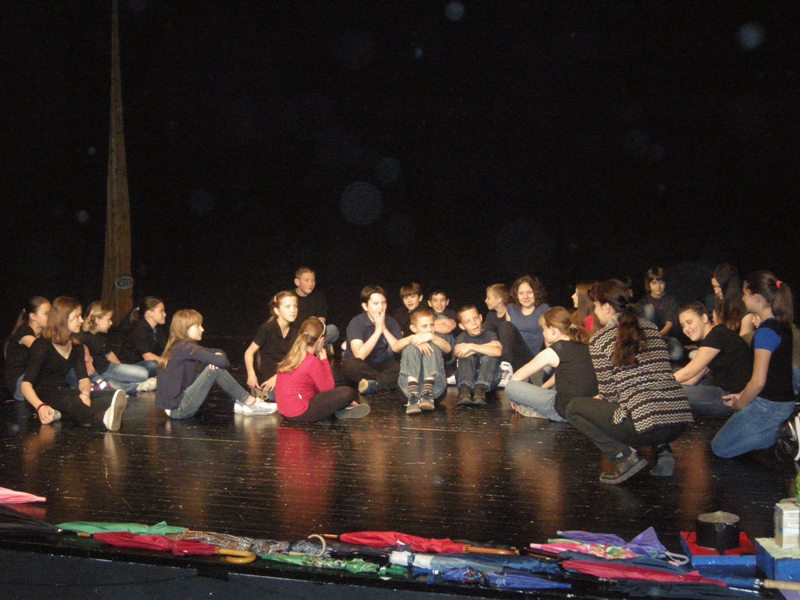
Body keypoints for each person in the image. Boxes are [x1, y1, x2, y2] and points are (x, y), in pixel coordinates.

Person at [565, 280, 693, 484]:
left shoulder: (600, 339)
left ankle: (624, 458)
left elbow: (609, 395)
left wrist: (597, 403)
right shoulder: (652, 328)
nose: (595, 311)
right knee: (646, 403)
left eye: (596, 306)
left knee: (574, 408)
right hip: (678, 420)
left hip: (646, 427)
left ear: (606, 307)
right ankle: (663, 450)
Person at [710, 272, 795, 459]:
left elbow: (758, 381)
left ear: (757, 298)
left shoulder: (766, 333)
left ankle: (780, 434)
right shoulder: (782, 325)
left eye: (745, 294)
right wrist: (742, 395)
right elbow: (774, 375)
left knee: (720, 447)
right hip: (775, 402)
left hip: (770, 406)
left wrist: (740, 404)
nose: (742, 298)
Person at [21, 296, 128, 431]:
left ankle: (61, 414)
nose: (81, 320)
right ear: (64, 318)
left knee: (107, 395)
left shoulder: (77, 347)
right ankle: (102, 419)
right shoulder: (42, 346)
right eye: (77, 316)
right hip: (41, 396)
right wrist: (40, 406)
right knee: (72, 401)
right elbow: (26, 385)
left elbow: (83, 378)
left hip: (63, 391)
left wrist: (85, 395)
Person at [156, 309, 275, 419]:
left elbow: (219, 352)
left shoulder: (180, 346)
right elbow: (222, 362)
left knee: (213, 367)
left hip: (176, 407)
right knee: (214, 369)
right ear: (185, 328)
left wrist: (215, 359)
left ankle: (243, 402)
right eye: (197, 326)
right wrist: (214, 361)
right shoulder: (185, 348)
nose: (202, 329)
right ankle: (250, 402)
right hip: (178, 409)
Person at [506, 307, 598, 422]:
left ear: (552, 330)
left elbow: (517, 377)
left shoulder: (555, 350)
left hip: (563, 411)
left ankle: (538, 411)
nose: (543, 333)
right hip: (586, 408)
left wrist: (514, 397)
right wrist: (542, 389)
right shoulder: (583, 344)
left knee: (511, 387)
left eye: (543, 329)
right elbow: (567, 376)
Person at [276, 318, 368, 422]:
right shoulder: (311, 361)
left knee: (336, 388)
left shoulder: (292, 356)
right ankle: (339, 408)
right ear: (321, 340)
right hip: (300, 413)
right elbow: (327, 389)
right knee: (348, 392)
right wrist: (324, 361)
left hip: (284, 411)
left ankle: (339, 408)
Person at [673, 302, 752, 417]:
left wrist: (658, 385)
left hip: (731, 398)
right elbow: (694, 378)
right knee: (674, 377)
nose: (686, 329)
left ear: (704, 318)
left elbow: (688, 372)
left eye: (689, 322)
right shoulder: (714, 337)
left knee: (670, 392)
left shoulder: (717, 335)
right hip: (722, 389)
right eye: (683, 326)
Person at [79, 302, 156, 396]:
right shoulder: (84, 338)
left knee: (150, 367)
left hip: (110, 367)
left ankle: (129, 381)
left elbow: (109, 354)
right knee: (115, 383)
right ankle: (136, 386)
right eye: (108, 319)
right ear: (97, 320)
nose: (111, 323)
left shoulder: (101, 336)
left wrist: (123, 372)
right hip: (101, 373)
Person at [342, 285, 403, 395]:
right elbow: (360, 354)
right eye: (376, 304)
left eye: (383, 303)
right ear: (365, 306)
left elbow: (398, 348)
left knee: (402, 367)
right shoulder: (356, 322)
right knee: (351, 367)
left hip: (381, 363)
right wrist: (378, 330)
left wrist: (384, 328)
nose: (381, 307)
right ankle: (383, 382)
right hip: (361, 364)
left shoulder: (391, 321)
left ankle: (374, 385)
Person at [391, 307, 451, 415]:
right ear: (413, 328)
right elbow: (395, 348)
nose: (429, 329)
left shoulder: (436, 339)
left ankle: (427, 392)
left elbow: (448, 349)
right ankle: (413, 395)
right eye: (424, 326)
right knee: (410, 347)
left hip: (435, 390)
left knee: (433, 345)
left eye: (432, 325)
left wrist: (433, 338)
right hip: (407, 391)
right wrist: (411, 339)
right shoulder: (410, 338)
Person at [243, 291, 299, 400]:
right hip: (270, 377)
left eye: (295, 306)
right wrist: (251, 374)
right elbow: (249, 352)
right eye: (288, 306)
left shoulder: (296, 331)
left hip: (287, 374)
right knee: (283, 393)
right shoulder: (267, 329)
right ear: (277, 310)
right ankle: (264, 395)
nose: (293, 310)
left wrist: (279, 376)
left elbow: (297, 359)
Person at [453, 305, 502, 407]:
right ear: (462, 326)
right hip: (466, 379)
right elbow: (459, 352)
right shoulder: (462, 337)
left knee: (490, 356)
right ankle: (465, 392)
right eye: (468, 321)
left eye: (475, 318)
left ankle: (480, 390)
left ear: (480, 318)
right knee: (465, 357)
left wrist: (471, 347)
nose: (474, 323)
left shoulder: (490, 334)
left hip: (489, 380)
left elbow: (498, 352)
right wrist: (487, 347)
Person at [3, 296, 50, 401]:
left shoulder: (43, 334)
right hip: (19, 381)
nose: (51, 316)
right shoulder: (24, 333)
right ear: (33, 316)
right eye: (47, 313)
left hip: (31, 376)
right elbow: (41, 351)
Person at [483, 283, 531, 383]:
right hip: (501, 354)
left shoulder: (513, 312)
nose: (485, 300)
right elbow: (489, 338)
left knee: (505, 326)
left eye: (488, 297)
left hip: (520, 354)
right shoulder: (491, 315)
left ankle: (506, 368)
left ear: (499, 299)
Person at [637, 267, 683, 361]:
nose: (658, 286)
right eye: (654, 283)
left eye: (661, 282)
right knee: (649, 309)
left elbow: (669, 324)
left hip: (667, 337)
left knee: (677, 355)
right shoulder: (643, 301)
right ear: (649, 284)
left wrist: (658, 337)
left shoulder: (670, 300)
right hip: (648, 338)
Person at [118, 297, 168, 376]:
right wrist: (169, 363)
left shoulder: (158, 329)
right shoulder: (139, 329)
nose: (165, 314)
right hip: (131, 365)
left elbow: (165, 349)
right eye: (161, 311)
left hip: (144, 363)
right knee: (153, 365)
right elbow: (147, 356)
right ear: (150, 313)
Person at [294, 266, 339, 347]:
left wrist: (315, 323)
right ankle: (317, 348)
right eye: (306, 280)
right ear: (297, 282)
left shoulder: (318, 297)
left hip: (313, 335)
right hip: (296, 335)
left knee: (332, 330)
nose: (311, 284)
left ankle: (313, 347)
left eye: (313, 280)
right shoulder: (290, 296)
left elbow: (321, 322)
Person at [507, 275, 551, 356]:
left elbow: (549, 337)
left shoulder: (544, 309)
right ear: (517, 295)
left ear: (536, 293)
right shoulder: (511, 308)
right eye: (521, 293)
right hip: (514, 354)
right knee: (505, 327)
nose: (525, 297)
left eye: (529, 292)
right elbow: (508, 337)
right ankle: (506, 361)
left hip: (534, 355)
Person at [710, 263, 750, 335]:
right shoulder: (718, 305)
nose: (716, 291)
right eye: (714, 287)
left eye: (719, 287)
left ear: (730, 286)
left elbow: (744, 339)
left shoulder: (746, 307)